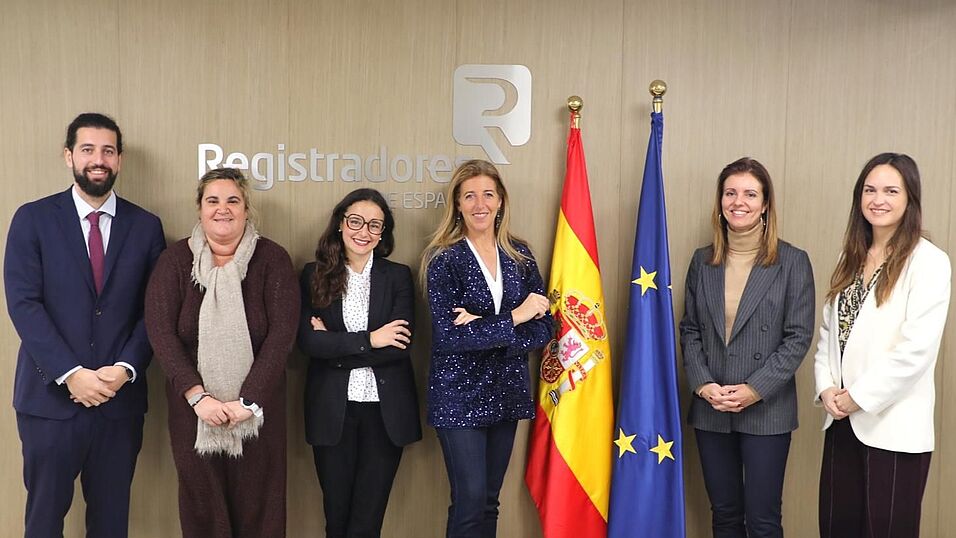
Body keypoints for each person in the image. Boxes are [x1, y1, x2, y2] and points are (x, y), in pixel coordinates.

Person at [3, 112, 165, 538]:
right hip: (49, 403)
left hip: (118, 402)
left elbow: (155, 311)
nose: (99, 159)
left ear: (120, 160)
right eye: (88, 149)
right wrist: (71, 374)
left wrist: (126, 369)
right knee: (43, 522)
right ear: (68, 156)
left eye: (108, 151)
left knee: (111, 523)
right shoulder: (32, 219)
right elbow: (23, 304)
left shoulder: (146, 226)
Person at [144, 167, 299, 538]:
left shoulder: (272, 259)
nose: (222, 208)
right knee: (203, 512)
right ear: (199, 209)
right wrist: (198, 398)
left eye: (233, 200)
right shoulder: (174, 261)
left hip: (258, 415)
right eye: (212, 200)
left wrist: (250, 400)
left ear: (246, 209)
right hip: (193, 414)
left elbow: (282, 336)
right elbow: (162, 334)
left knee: (260, 513)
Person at [814, 153, 951, 538]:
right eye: (870, 190)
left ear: (910, 199)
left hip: (893, 428)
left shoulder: (929, 262)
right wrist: (826, 388)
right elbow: (828, 334)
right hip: (841, 422)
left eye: (891, 191)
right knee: (836, 528)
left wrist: (857, 397)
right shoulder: (850, 257)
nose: (878, 200)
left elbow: (916, 350)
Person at [679, 157, 814, 538]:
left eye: (750, 194)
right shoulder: (702, 261)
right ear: (720, 200)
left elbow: (798, 336)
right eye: (730, 193)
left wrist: (755, 389)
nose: (739, 202)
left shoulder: (792, 261)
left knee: (762, 521)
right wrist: (704, 384)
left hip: (766, 409)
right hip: (712, 407)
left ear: (766, 203)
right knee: (724, 515)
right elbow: (690, 329)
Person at [421, 159, 552, 538]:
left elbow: (545, 325)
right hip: (458, 396)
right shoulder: (443, 258)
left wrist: (483, 327)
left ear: (501, 201)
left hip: (507, 392)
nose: (480, 204)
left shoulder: (520, 255)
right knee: (470, 500)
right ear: (457, 204)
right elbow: (449, 337)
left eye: (488, 194)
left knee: (490, 501)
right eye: (470, 196)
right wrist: (516, 316)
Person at [298, 188, 422, 538]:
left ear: (383, 233)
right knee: (336, 519)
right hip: (332, 411)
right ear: (340, 223)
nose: (363, 231)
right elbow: (309, 343)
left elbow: (398, 346)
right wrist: (371, 339)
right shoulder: (313, 275)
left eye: (374, 225)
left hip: (384, 414)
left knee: (367, 522)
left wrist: (334, 344)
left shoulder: (397, 276)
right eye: (355, 221)